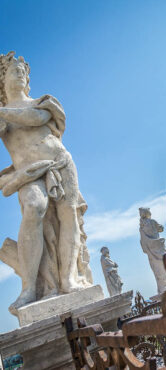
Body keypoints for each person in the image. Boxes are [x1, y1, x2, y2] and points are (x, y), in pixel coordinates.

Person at [0, 51, 92, 312]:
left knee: (69, 217)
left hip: (61, 163)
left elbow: (36, 120)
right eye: (12, 72)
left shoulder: (41, 103)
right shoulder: (3, 117)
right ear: (2, 81)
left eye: (22, 72)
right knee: (34, 206)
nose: (19, 74)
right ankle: (29, 289)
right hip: (29, 173)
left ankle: (69, 280)